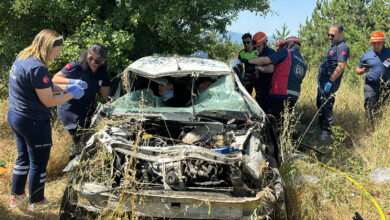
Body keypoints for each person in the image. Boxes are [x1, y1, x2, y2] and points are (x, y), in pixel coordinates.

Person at [7, 29, 84, 210]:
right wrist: (71, 94)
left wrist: (69, 85)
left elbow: (44, 86)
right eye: (57, 50)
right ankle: (37, 201)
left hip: (16, 117)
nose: (58, 54)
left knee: (23, 157)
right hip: (33, 121)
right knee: (39, 163)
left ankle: (17, 196)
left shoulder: (24, 57)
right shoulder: (37, 68)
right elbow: (48, 100)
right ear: (48, 47)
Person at [52, 43, 111, 160]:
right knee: (79, 140)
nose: (93, 63)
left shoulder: (102, 74)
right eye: (90, 58)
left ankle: (79, 162)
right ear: (87, 55)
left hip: (86, 109)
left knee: (89, 139)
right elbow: (54, 79)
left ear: (103, 61)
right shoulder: (76, 66)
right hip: (69, 107)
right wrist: (72, 83)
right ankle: (74, 167)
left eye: (97, 61)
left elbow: (107, 96)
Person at [244, 36, 307, 122]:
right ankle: (283, 135)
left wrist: (247, 61)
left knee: (272, 121)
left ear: (290, 44)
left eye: (285, 45)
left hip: (280, 93)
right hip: (294, 96)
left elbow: (265, 60)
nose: (283, 47)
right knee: (284, 122)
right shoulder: (303, 62)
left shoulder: (286, 52)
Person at [317, 23, 349, 140]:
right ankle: (321, 128)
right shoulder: (333, 47)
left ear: (340, 34)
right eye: (328, 35)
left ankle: (328, 131)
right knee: (320, 104)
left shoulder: (342, 47)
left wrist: (330, 81)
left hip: (330, 83)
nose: (330, 37)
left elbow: (340, 66)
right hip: (322, 82)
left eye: (332, 35)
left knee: (327, 106)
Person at [355, 31, 390, 122]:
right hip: (371, 86)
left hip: (387, 86)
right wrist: (362, 70)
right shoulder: (366, 56)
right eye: (373, 43)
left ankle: (384, 125)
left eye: (378, 43)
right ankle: (371, 127)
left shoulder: (389, 52)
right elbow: (357, 70)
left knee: (386, 108)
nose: (376, 45)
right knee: (370, 107)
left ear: (383, 43)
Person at [249, 32, 276, 113]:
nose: (257, 48)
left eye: (259, 46)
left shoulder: (270, 53)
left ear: (265, 43)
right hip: (262, 87)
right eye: (256, 47)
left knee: (267, 111)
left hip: (269, 88)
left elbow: (271, 69)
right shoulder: (260, 54)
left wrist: (256, 68)